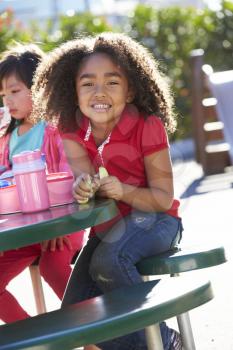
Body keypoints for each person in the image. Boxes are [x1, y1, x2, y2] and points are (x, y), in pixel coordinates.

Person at [32, 33, 183, 350]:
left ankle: (163, 341)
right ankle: (156, 339)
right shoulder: (70, 131)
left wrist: (123, 190)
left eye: (112, 82)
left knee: (109, 261)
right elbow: (87, 186)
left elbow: (163, 198)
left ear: (130, 91)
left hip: (157, 221)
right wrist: (83, 187)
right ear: (73, 92)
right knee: (73, 318)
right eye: (87, 84)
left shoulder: (148, 125)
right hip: (108, 229)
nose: (99, 92)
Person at [0, 43, 87, 323]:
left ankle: (99, 335)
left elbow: (68, 178)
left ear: (39, 86)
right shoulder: (6, 138)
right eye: (3, 95)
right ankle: (37, 340)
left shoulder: (56, 128)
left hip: (60, 228)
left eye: (14, 91)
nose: (7, 101)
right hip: (22, 234)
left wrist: (57, 223)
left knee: (53, 269)